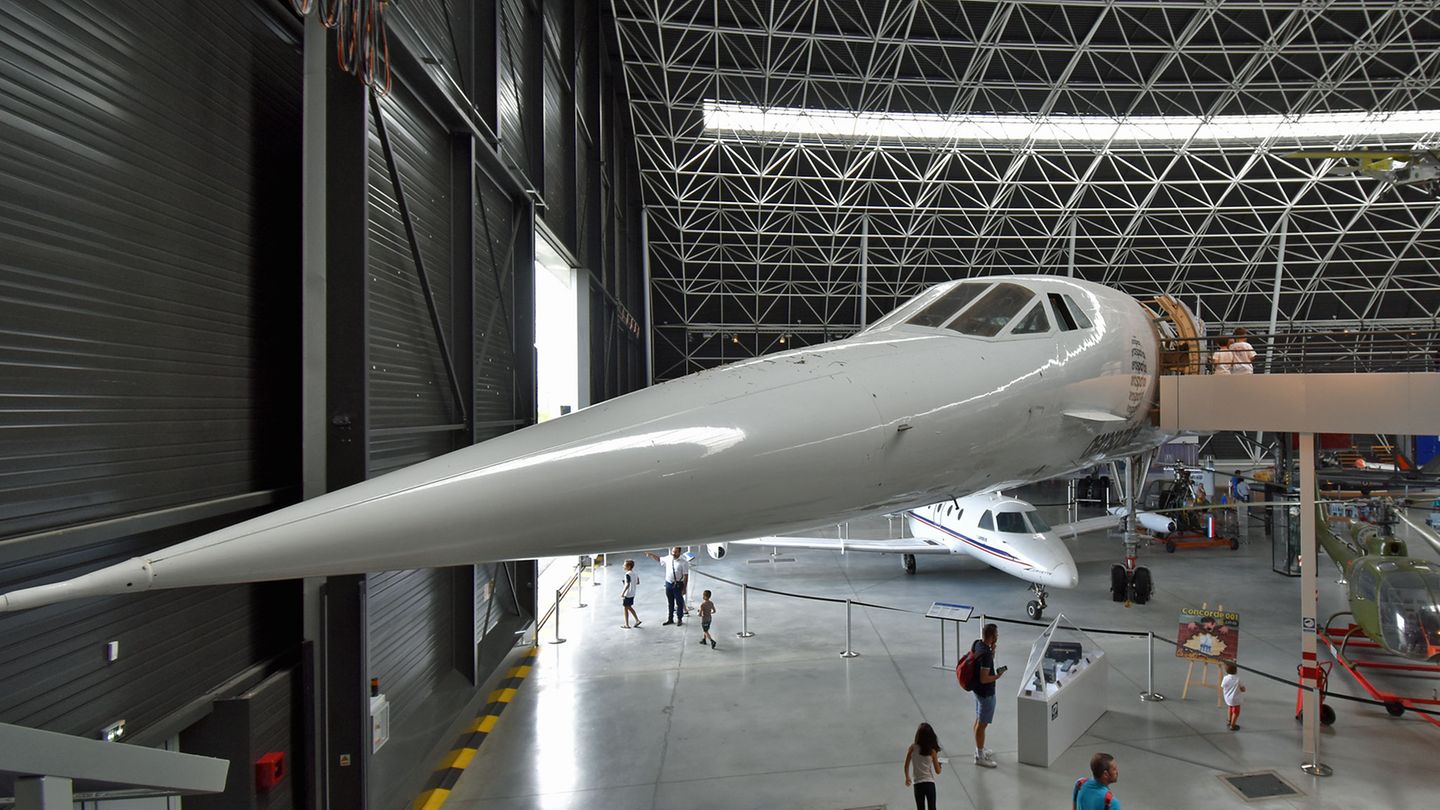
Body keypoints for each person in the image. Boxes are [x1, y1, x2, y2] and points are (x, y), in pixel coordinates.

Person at [970, 623, 1005, 768]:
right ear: (991, 636)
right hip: (986, 694)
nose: (997, 637)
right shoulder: (986, 656)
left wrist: (993, 652)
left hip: (978, 691)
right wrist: (998, 676)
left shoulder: (978, 644)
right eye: (996, 635)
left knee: (979, 720)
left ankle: (980, 748)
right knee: (982, 724)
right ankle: (979, 756)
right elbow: (984, 678)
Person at [903, 722, 943, 810]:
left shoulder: (912, 748)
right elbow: (938, 771)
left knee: (920, 808)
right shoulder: (932, 751)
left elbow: (906, 765)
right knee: (932, 807)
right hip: (929, 783)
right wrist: (940, 765)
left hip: (917, 784)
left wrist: (907, 777)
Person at [644, 547, 689, 626]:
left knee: (679, 602)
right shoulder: (668, 558)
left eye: (675, 552)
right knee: (670, 602)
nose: (673, 554)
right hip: (668, 583)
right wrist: (651, 555)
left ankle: (679, 619)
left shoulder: (684, 562)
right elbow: (659, 559)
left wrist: (684, 588)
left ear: (679, 552)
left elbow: (686, 576)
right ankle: (670, 619)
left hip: (678, 584)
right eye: (673, 552)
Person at [1222, 660, 1246, 730]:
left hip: (1228, 698)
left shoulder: (1225, 678)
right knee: (1236, 712)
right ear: (1236, 670)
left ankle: (1229, 721)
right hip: (1235, 699)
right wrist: (1242, 689)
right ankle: (1232, 725)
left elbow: (1223, 686)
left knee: (1230, 707)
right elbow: (1243, 689)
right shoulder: (1238, 679)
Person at [620, 559, 641, 629]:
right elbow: (638, 582)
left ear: (628, 567)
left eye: (624, 565)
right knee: (627, 607)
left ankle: (634, 621)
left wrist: (622, 593)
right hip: (633, 593)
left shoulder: (627, 574)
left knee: (627, 607)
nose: (623, 566)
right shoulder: (635, 573)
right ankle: (628, 623)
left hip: (627, 594)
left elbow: (627, 585)